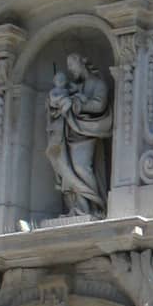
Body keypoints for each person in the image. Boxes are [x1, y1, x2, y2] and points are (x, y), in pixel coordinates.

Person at [44, 50, 113, 217]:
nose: (70, 70)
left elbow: (99, 105)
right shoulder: (74, 86)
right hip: (69, 132)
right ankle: (78, 208)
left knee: (82, 167)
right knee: (67, 171)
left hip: (87, 131)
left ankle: (96, 205)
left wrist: (76, 104)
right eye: (68, 67)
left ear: (82, 63)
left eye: (72, 65)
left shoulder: (98, 84)